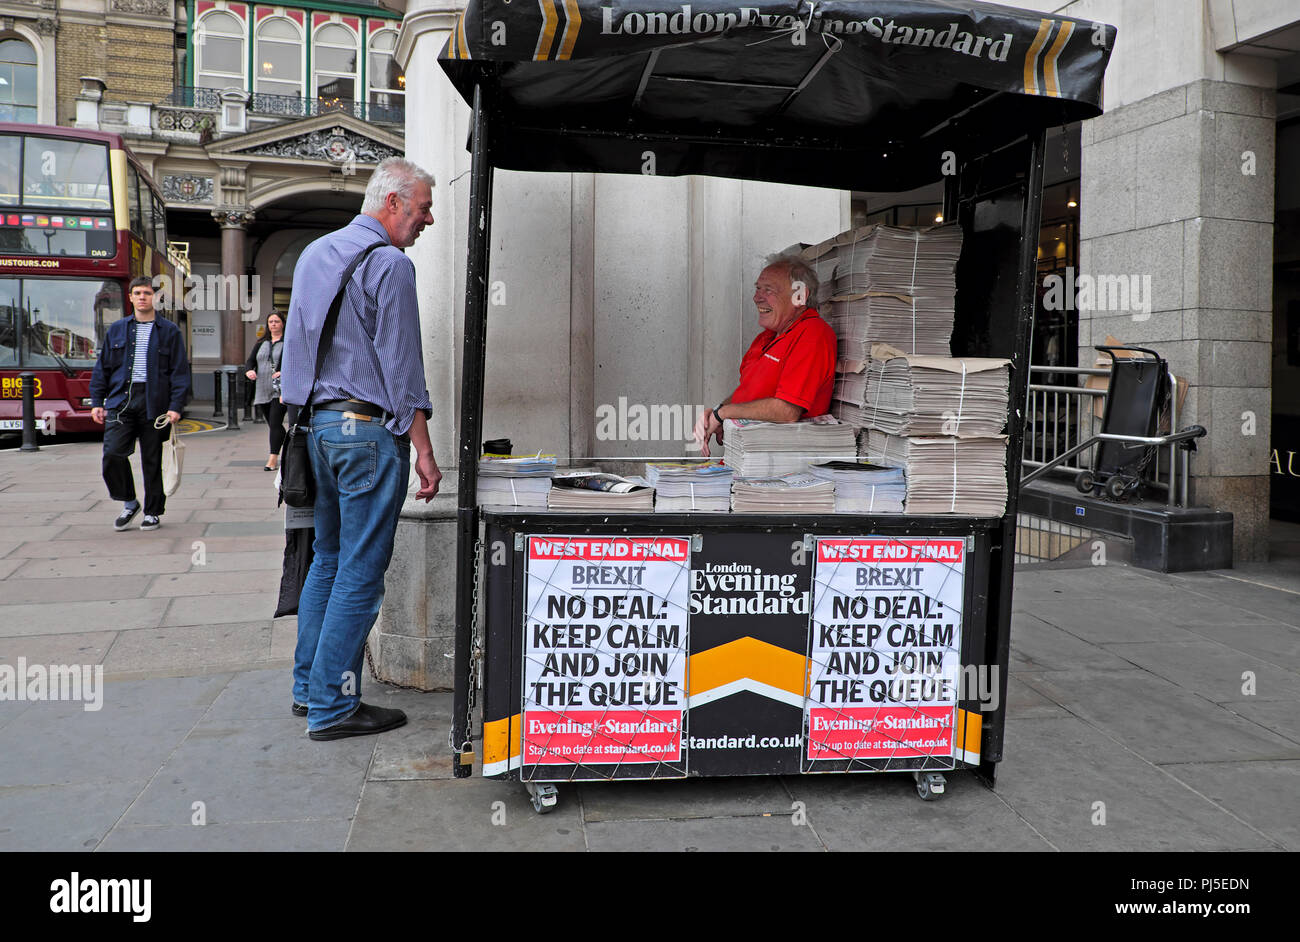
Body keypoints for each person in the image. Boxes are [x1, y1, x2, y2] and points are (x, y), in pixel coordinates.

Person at [280, 157, 443, 741]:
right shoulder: (390, 265)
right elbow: (403, 368)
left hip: (319, 430)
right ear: (393, 203)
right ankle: (332, 705)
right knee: (361, 572)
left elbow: (294, 354)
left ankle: (308, 689)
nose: (429, 219)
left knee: (327, 559)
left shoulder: (315, 254)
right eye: (424, 207)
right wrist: (423, 447)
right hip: (369, 434)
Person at [693, 253, 837, 456]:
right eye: (758, 288)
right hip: (747, 460)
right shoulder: (767, 337)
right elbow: (750, 391)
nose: (756, 297)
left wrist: (723, 413)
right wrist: (718, 411)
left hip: (778, 465)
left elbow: (786, 412)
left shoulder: (812, 333)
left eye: (768, 290)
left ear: (799, 296)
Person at [89, 276, 190, 531]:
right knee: (112, 454)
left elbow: (179, 371)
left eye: (147, 292)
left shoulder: (170, 331)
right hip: (120, 400)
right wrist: (97, 401)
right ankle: (129, 502)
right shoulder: (117, 329)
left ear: (154, 297)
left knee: (152, 460)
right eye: (137, 293)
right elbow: (103, 368)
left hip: (155, 403)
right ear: (131, 297)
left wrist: (176, 405)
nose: (142, 297)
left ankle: (153, 511)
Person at [244, 309, 287, 470]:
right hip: (262, 388)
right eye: (271, 322)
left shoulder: (288, 342)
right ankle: (289, 448)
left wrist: (284, 371)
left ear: (282, 323)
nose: (273, 324)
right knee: (273, 426)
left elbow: (295, 362)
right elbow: (250, 361)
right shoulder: (260, 343)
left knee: (276, 423)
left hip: (280, 389)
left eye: (276, 321)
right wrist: (249, 370)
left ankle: (272, 459)